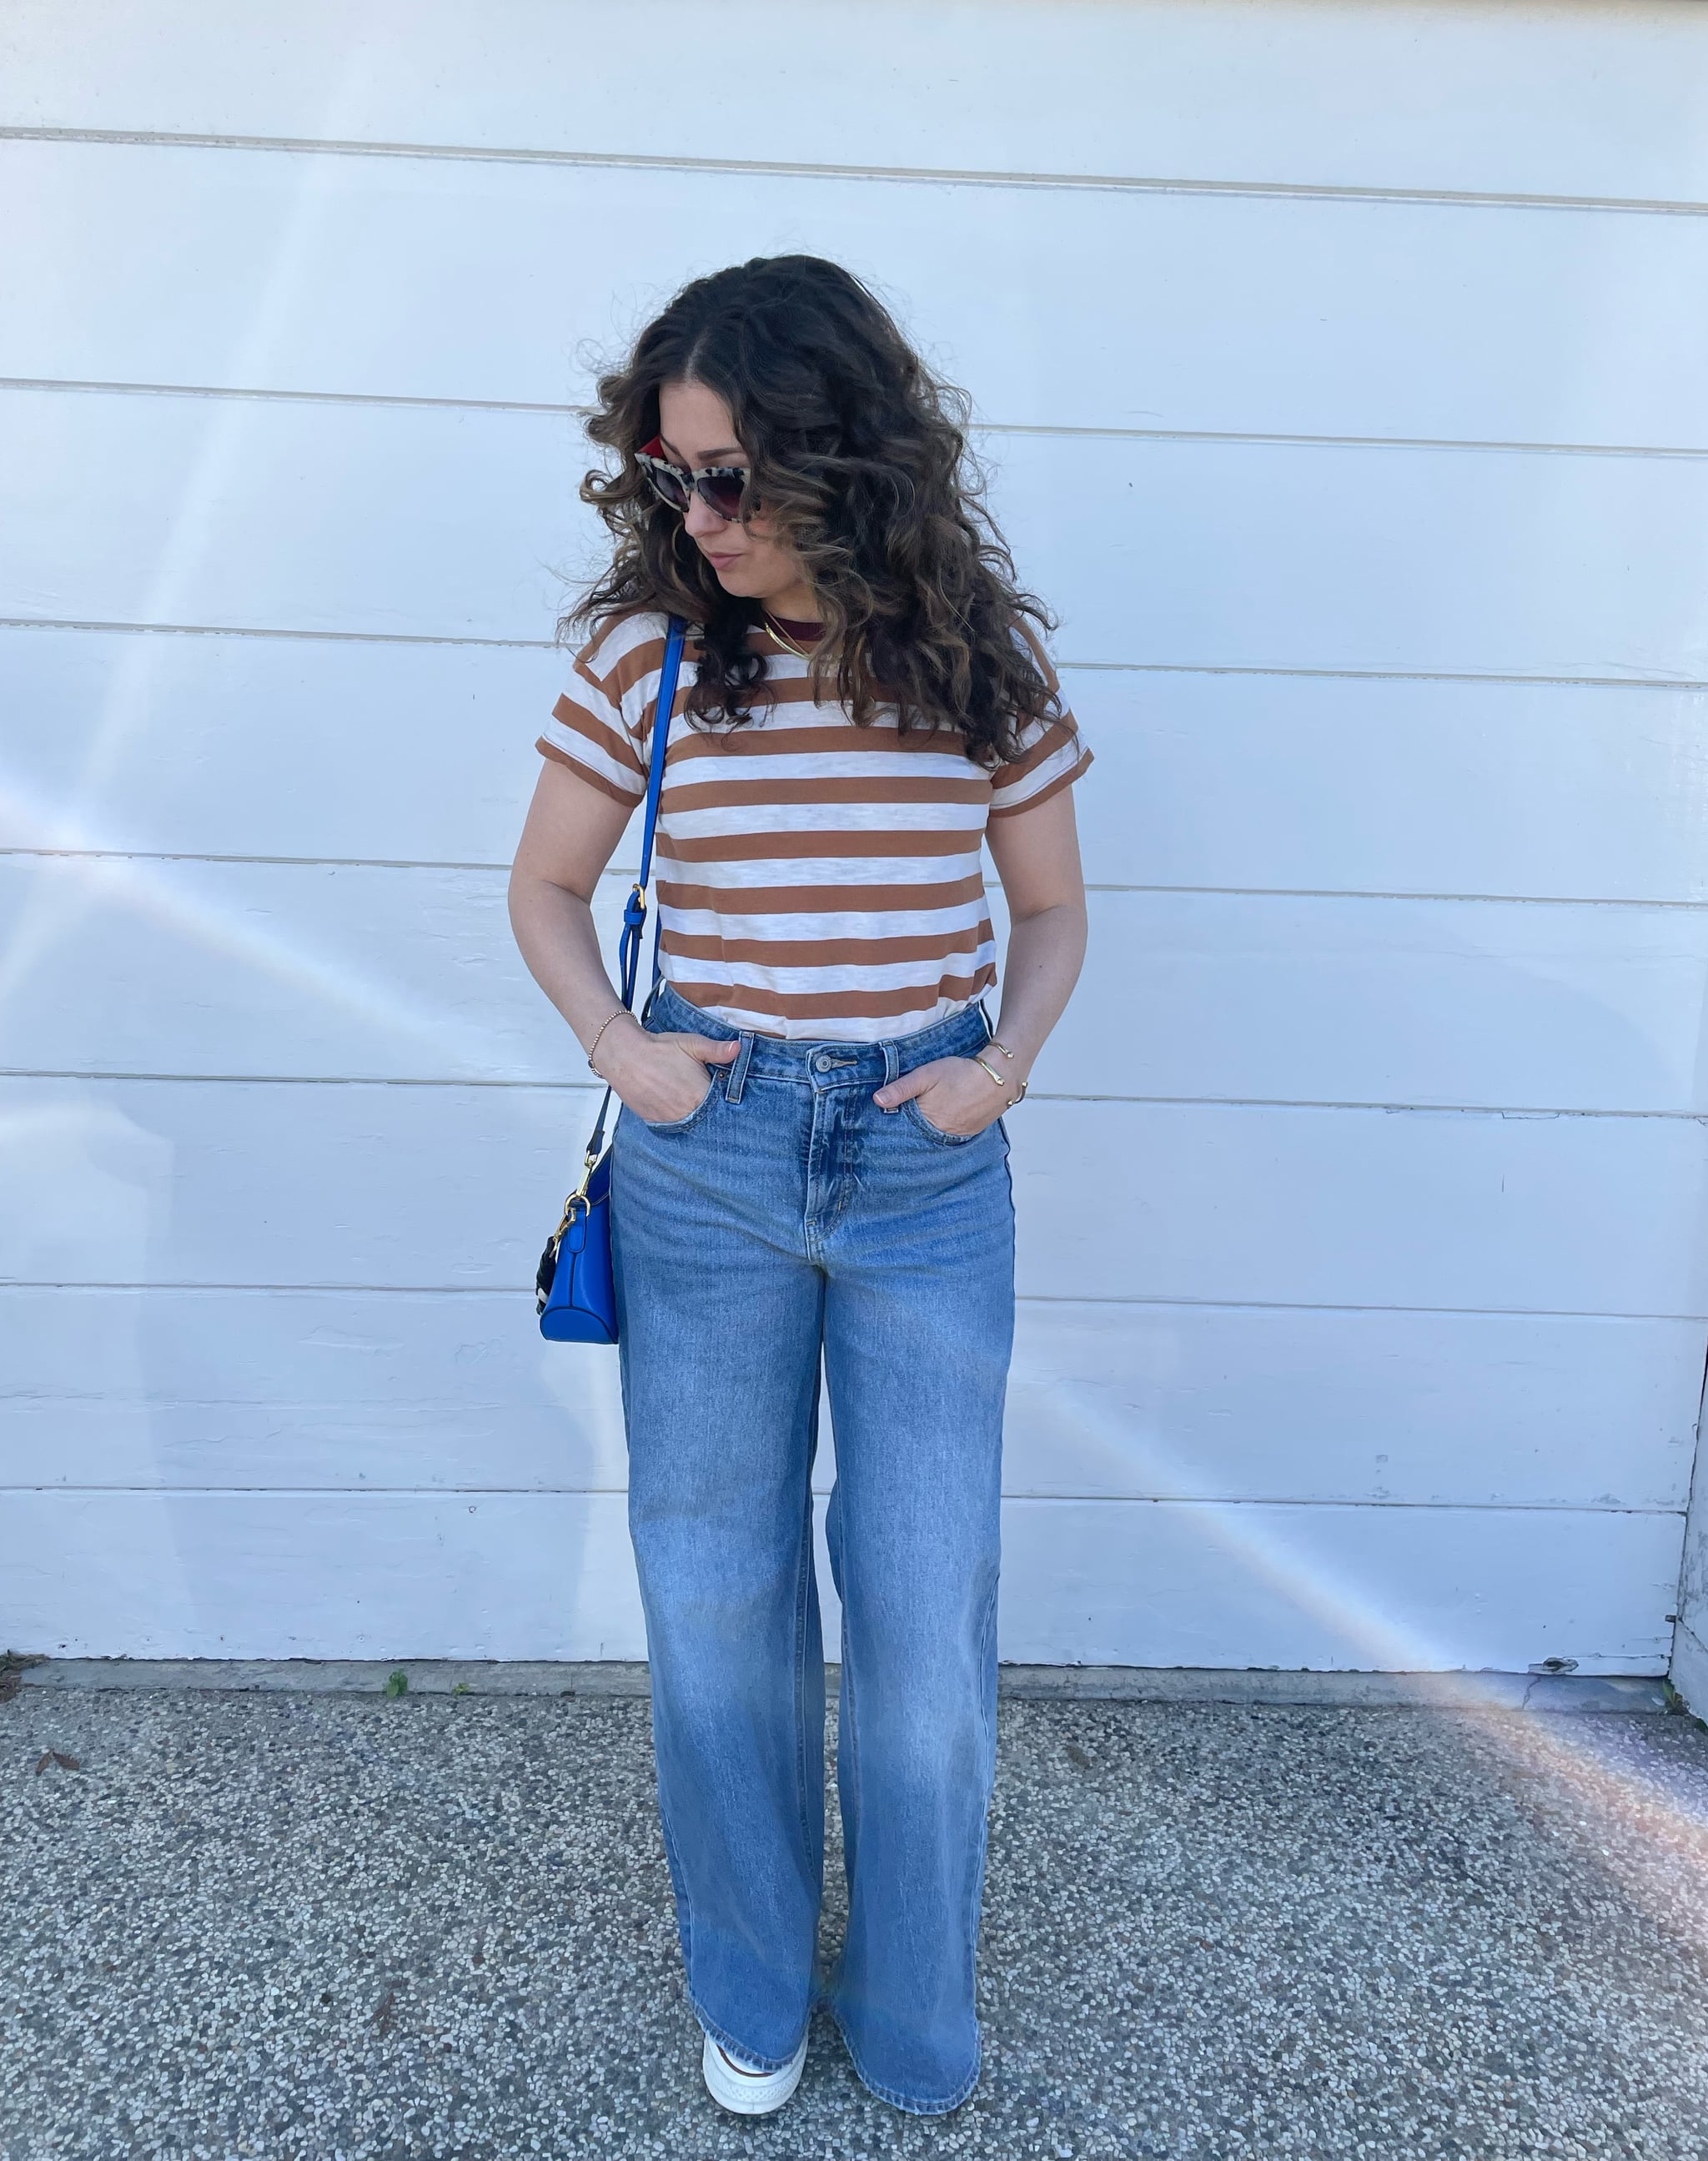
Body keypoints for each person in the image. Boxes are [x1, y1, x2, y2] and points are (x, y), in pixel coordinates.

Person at [508, 254, 1090, 2118]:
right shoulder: (649, 658)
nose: (704, 515)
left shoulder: (975, 661)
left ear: (854, 459)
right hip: (713, 1158)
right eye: (675, 474)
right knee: (718, 1596)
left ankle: (912, 2003)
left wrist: (997, 1072)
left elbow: (1057, 910)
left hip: (926, 1176)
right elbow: (540, 890)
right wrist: (624, 1052)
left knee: (924, 1615)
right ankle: (752, 1989)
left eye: (740, 478)